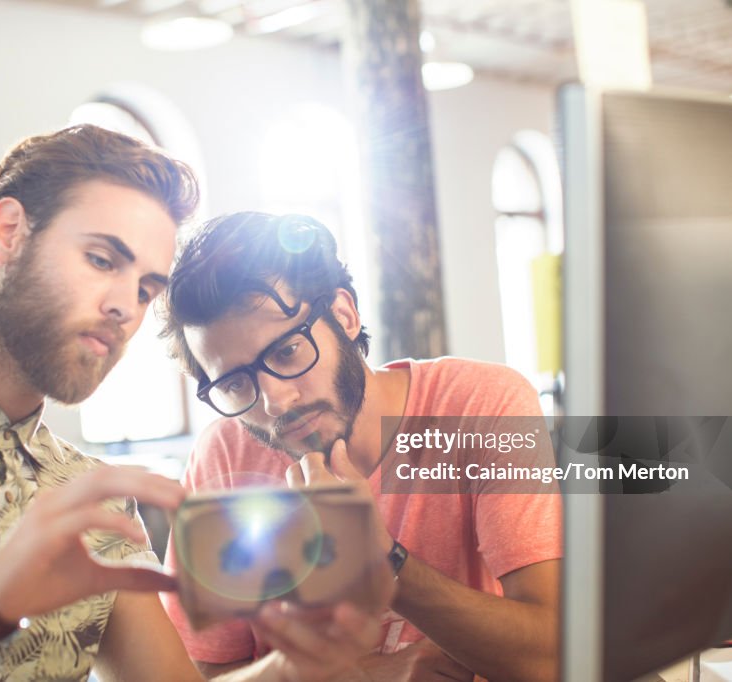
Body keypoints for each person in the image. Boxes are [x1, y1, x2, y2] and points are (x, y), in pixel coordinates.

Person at [0, 126, 386, 681]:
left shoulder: (94, 499)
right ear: (9, 231)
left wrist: (289, 669)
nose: (124, 309)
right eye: (103, 260)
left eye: (144, 290)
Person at [159, 212, 563, 681]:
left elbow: (549, 658)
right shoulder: (224, 460)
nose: (274, 401)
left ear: (344, 315)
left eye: (286, 351)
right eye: (233, 383)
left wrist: (386, 562)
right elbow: (203, 674)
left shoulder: (479, 403)